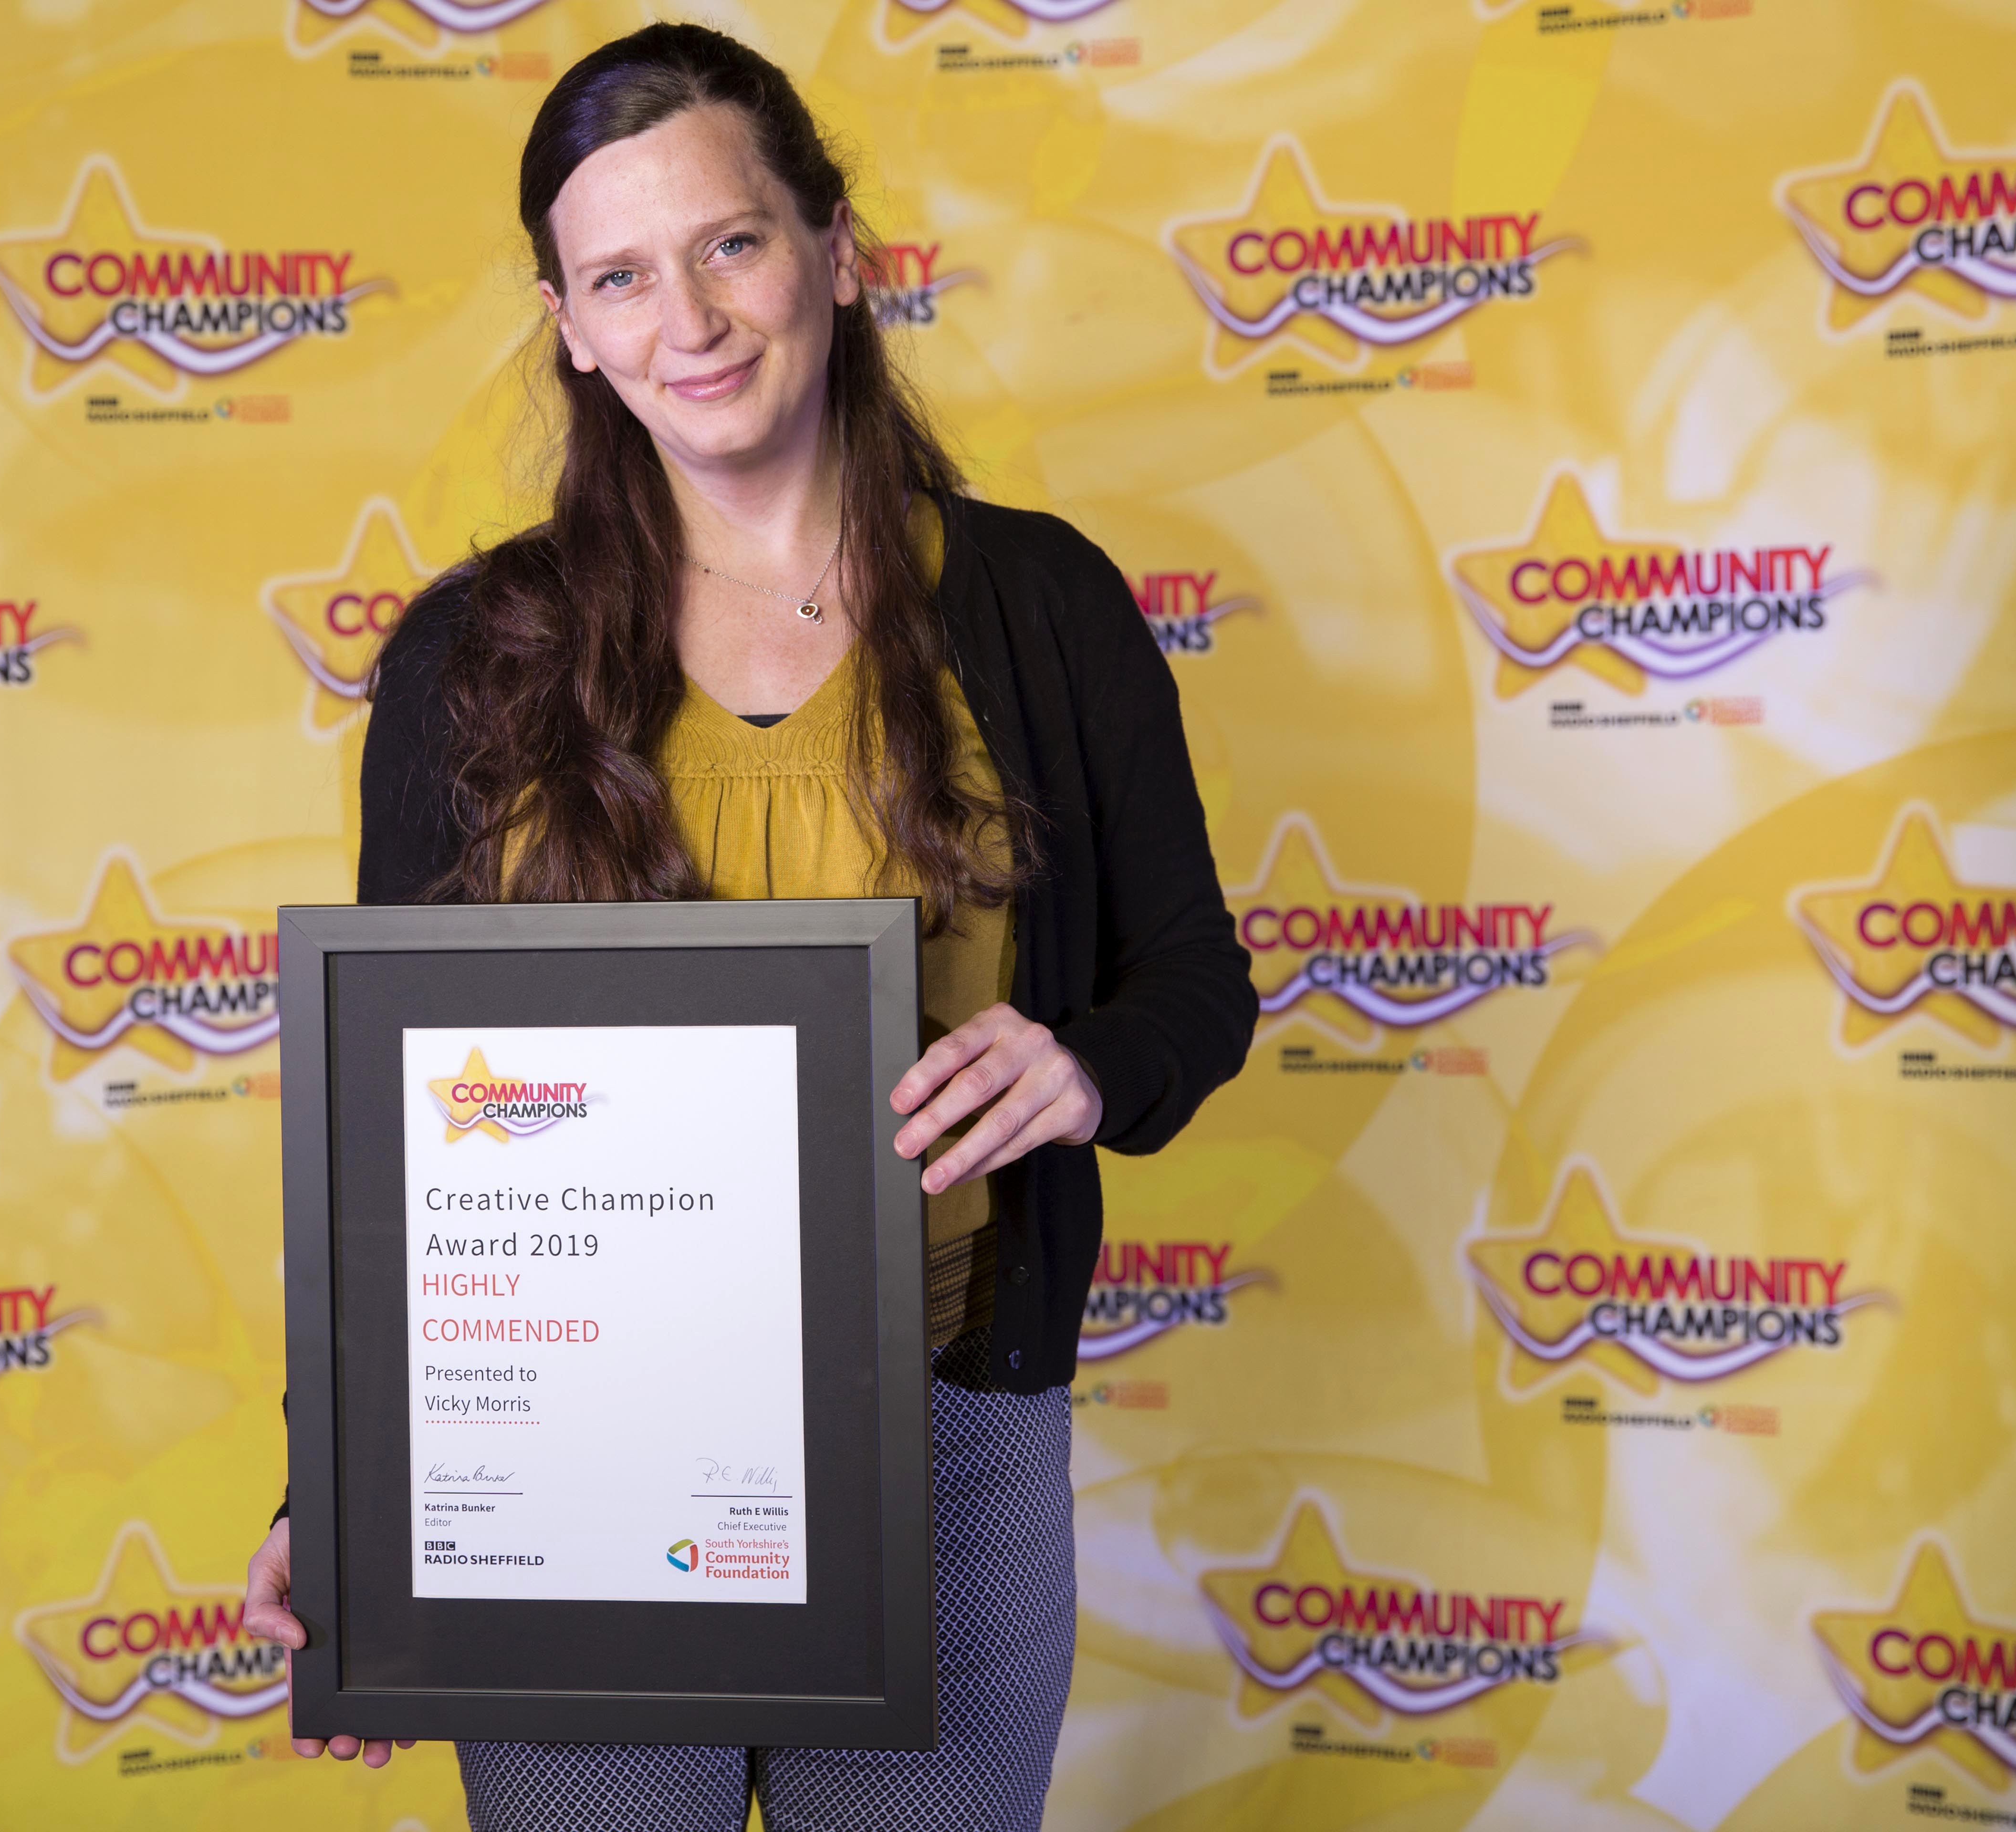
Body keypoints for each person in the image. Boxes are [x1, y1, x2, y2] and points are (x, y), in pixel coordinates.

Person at [240, 22, 1251, 1831]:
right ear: (568, 324)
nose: (688, 322)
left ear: (835, 251)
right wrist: (347, 1497)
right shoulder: (468, 657)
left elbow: (1195, 984)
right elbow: (386, 1138)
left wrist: (1085, 1069)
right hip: (573, 1457)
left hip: (949, 1435)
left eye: (731, 243)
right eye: (620, 276)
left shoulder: (1041, 604)